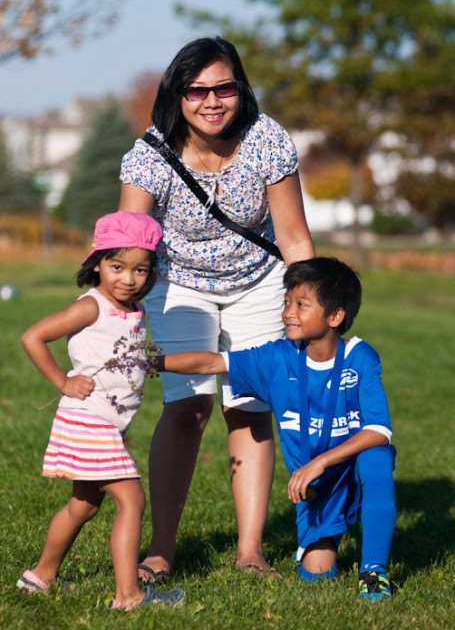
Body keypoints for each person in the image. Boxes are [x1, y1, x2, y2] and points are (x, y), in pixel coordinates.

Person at [118, 36, 316, 581]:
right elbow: (129, 244)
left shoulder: (266, 140)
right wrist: (113, 310)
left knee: (250, 406)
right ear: (177, 95)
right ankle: (161, 548)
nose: (211, 100)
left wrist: (309, 303)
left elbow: (295, 237)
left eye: (223, 87)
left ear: (240, 88)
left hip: (259, 280)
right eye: (196, 89)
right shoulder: (149, 156)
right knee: (189, 407)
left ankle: (251, 551)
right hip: (178, 283)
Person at [148, 257, 397, 601]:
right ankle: (325, 539)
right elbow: (211, 362)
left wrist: (320, 461)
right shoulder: (278, 358)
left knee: (377, 461)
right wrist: (148, 362)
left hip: (344, 466)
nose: (288, 313)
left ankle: (374, 571)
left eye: (301, 304)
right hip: (317, 487)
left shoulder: (360, 356)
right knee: (317, 575)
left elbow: (379, 430)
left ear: (335, 316)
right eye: (286, 302)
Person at [16, 211, 185, 611]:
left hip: (105, 423)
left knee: (84, 505)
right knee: (131, 501)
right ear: (97, 263)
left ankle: (39, 577)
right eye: (117, 266)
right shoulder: (92, 306)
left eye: (140, 270)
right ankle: (129, 596)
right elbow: (33, 336)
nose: (128, 278)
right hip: (88, 419)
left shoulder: (135, 309)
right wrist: (63, 382)